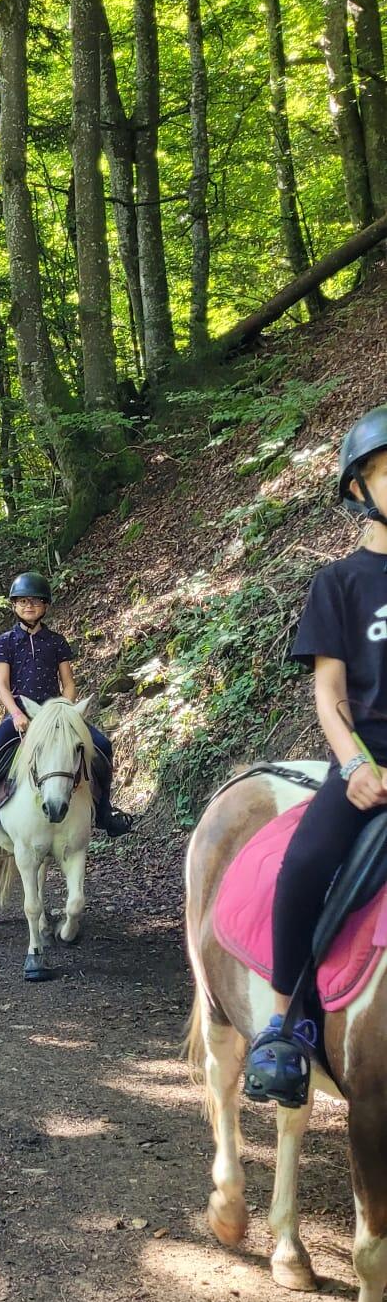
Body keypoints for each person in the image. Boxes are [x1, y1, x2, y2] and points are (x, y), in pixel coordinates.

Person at [245, 407, 387, 1106]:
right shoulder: (339, 583)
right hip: (369, 757)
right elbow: (329, 695)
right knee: (303, 865)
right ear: (359, 487)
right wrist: (354, 765)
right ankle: (284, 1025)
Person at [0, 572, 134, 842]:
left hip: (55, 713)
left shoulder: (57, 641)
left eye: (36, 601)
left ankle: (105, 811)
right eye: (23, 601)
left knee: (102, 745)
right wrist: (16, 714)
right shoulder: (6, 641)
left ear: (45, 605)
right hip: (21, 713)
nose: (29, 606)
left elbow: (68, 683)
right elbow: (2, 685)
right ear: (14, 605)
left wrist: (64, 710)